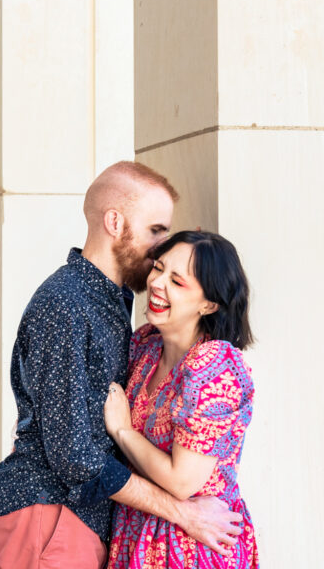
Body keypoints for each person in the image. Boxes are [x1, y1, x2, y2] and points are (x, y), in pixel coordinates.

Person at [0, 161, 242, 569]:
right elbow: (75, 457)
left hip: (82, 522)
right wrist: (182, 512)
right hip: (49, 513)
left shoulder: (121, 310)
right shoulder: (65, 304)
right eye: (156, 231)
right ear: (115, 222)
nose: (161, 246)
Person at [104, 230, 259, 568]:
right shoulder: (146, 345)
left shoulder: (215, 366)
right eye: (158, 268)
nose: (157, 284)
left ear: (209, 304)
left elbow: (181, 481)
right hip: (135, 534)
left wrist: (123, 431)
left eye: (177, 281)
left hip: (192, 544)